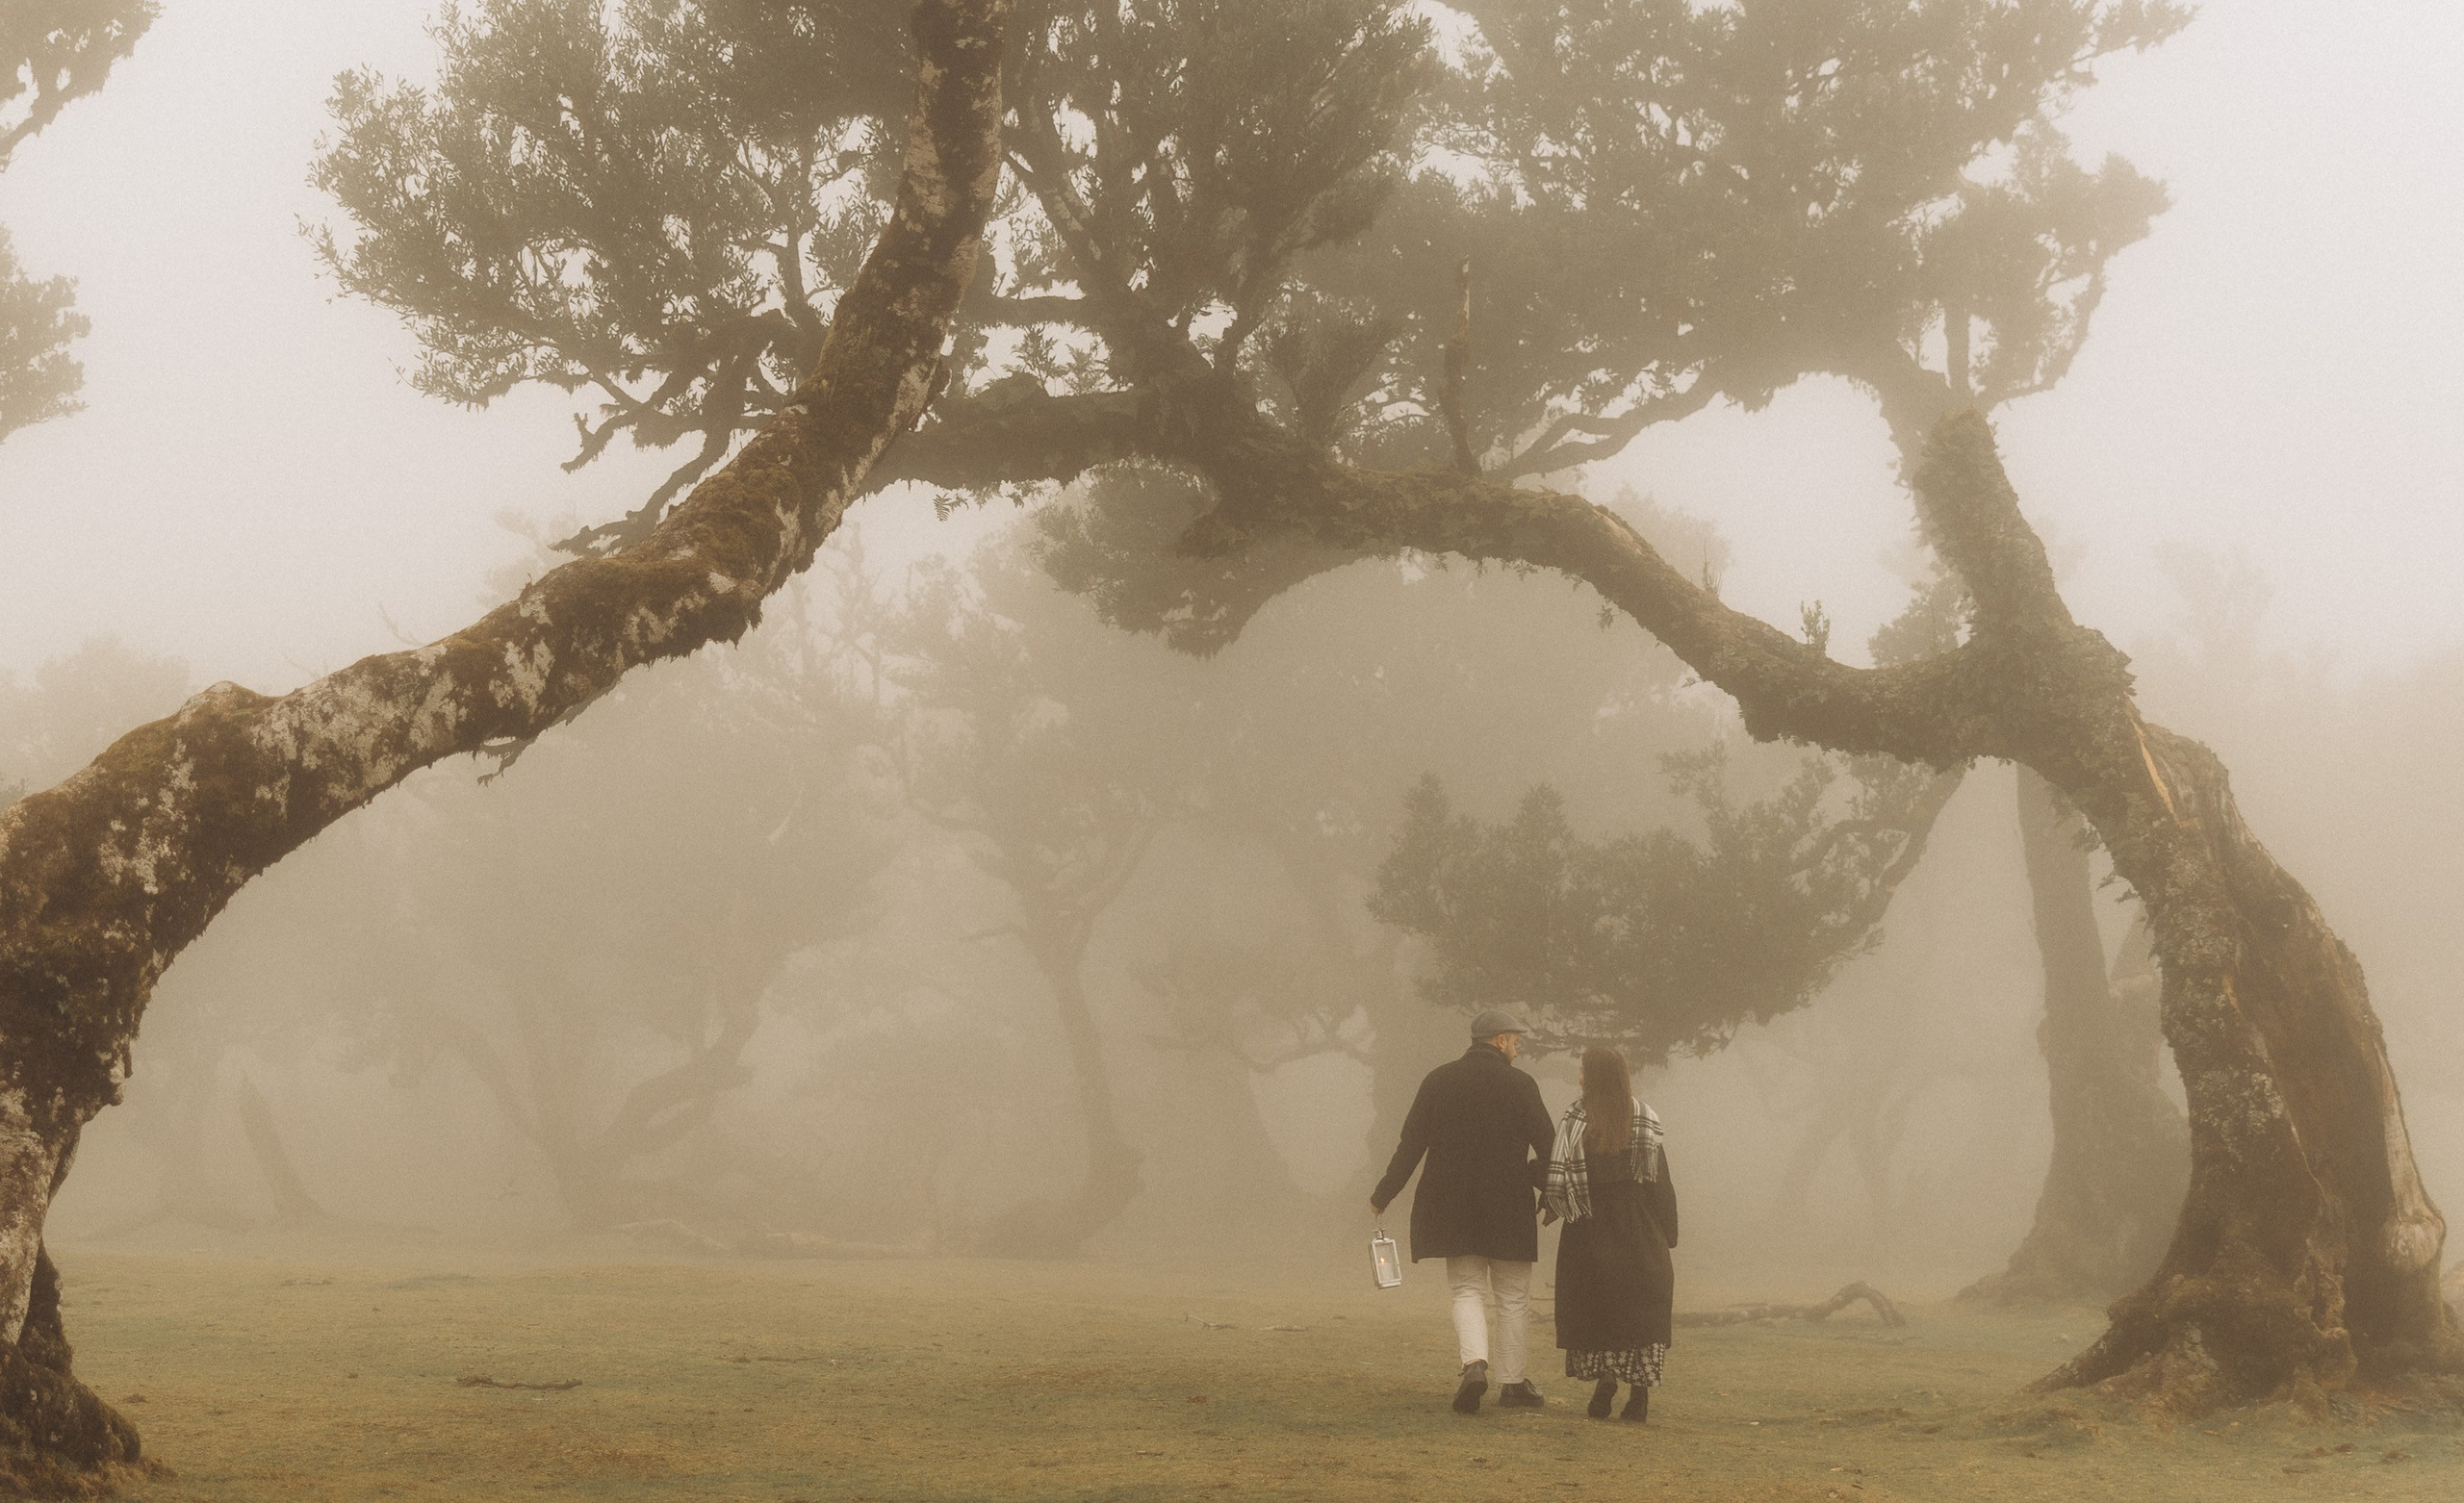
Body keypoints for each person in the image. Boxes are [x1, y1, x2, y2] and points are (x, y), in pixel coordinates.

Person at [1369, 1008, 1555, 1414]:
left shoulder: (1438, 1080)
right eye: (1515, 1041)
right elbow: (1549, 1146)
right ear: (1500, 1041)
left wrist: (1385, 1193)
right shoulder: (1521, 1085)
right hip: (1508, 1204)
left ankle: (1474, 1365)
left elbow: (1411, 1143)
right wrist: (1541, 1183)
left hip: (1451, 1205)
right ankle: (1512, 1384)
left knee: (1467, 1289)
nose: (1518, 1050)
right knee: (1512, 1297)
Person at [1542, 1044, 1678, 1421]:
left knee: (1600, 1305)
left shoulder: (1575, 1121)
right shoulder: (1643, 1118)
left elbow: (1560, 1177)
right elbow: (1658, 1183)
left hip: (1589, 1230)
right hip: (1638, 1227)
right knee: (1639, 1309)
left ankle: (1606, 1381)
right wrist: (1669, 1232)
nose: (1579, 1076)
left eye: (1583, 1070)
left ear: (1595, 1076)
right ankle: (1639, 1394)